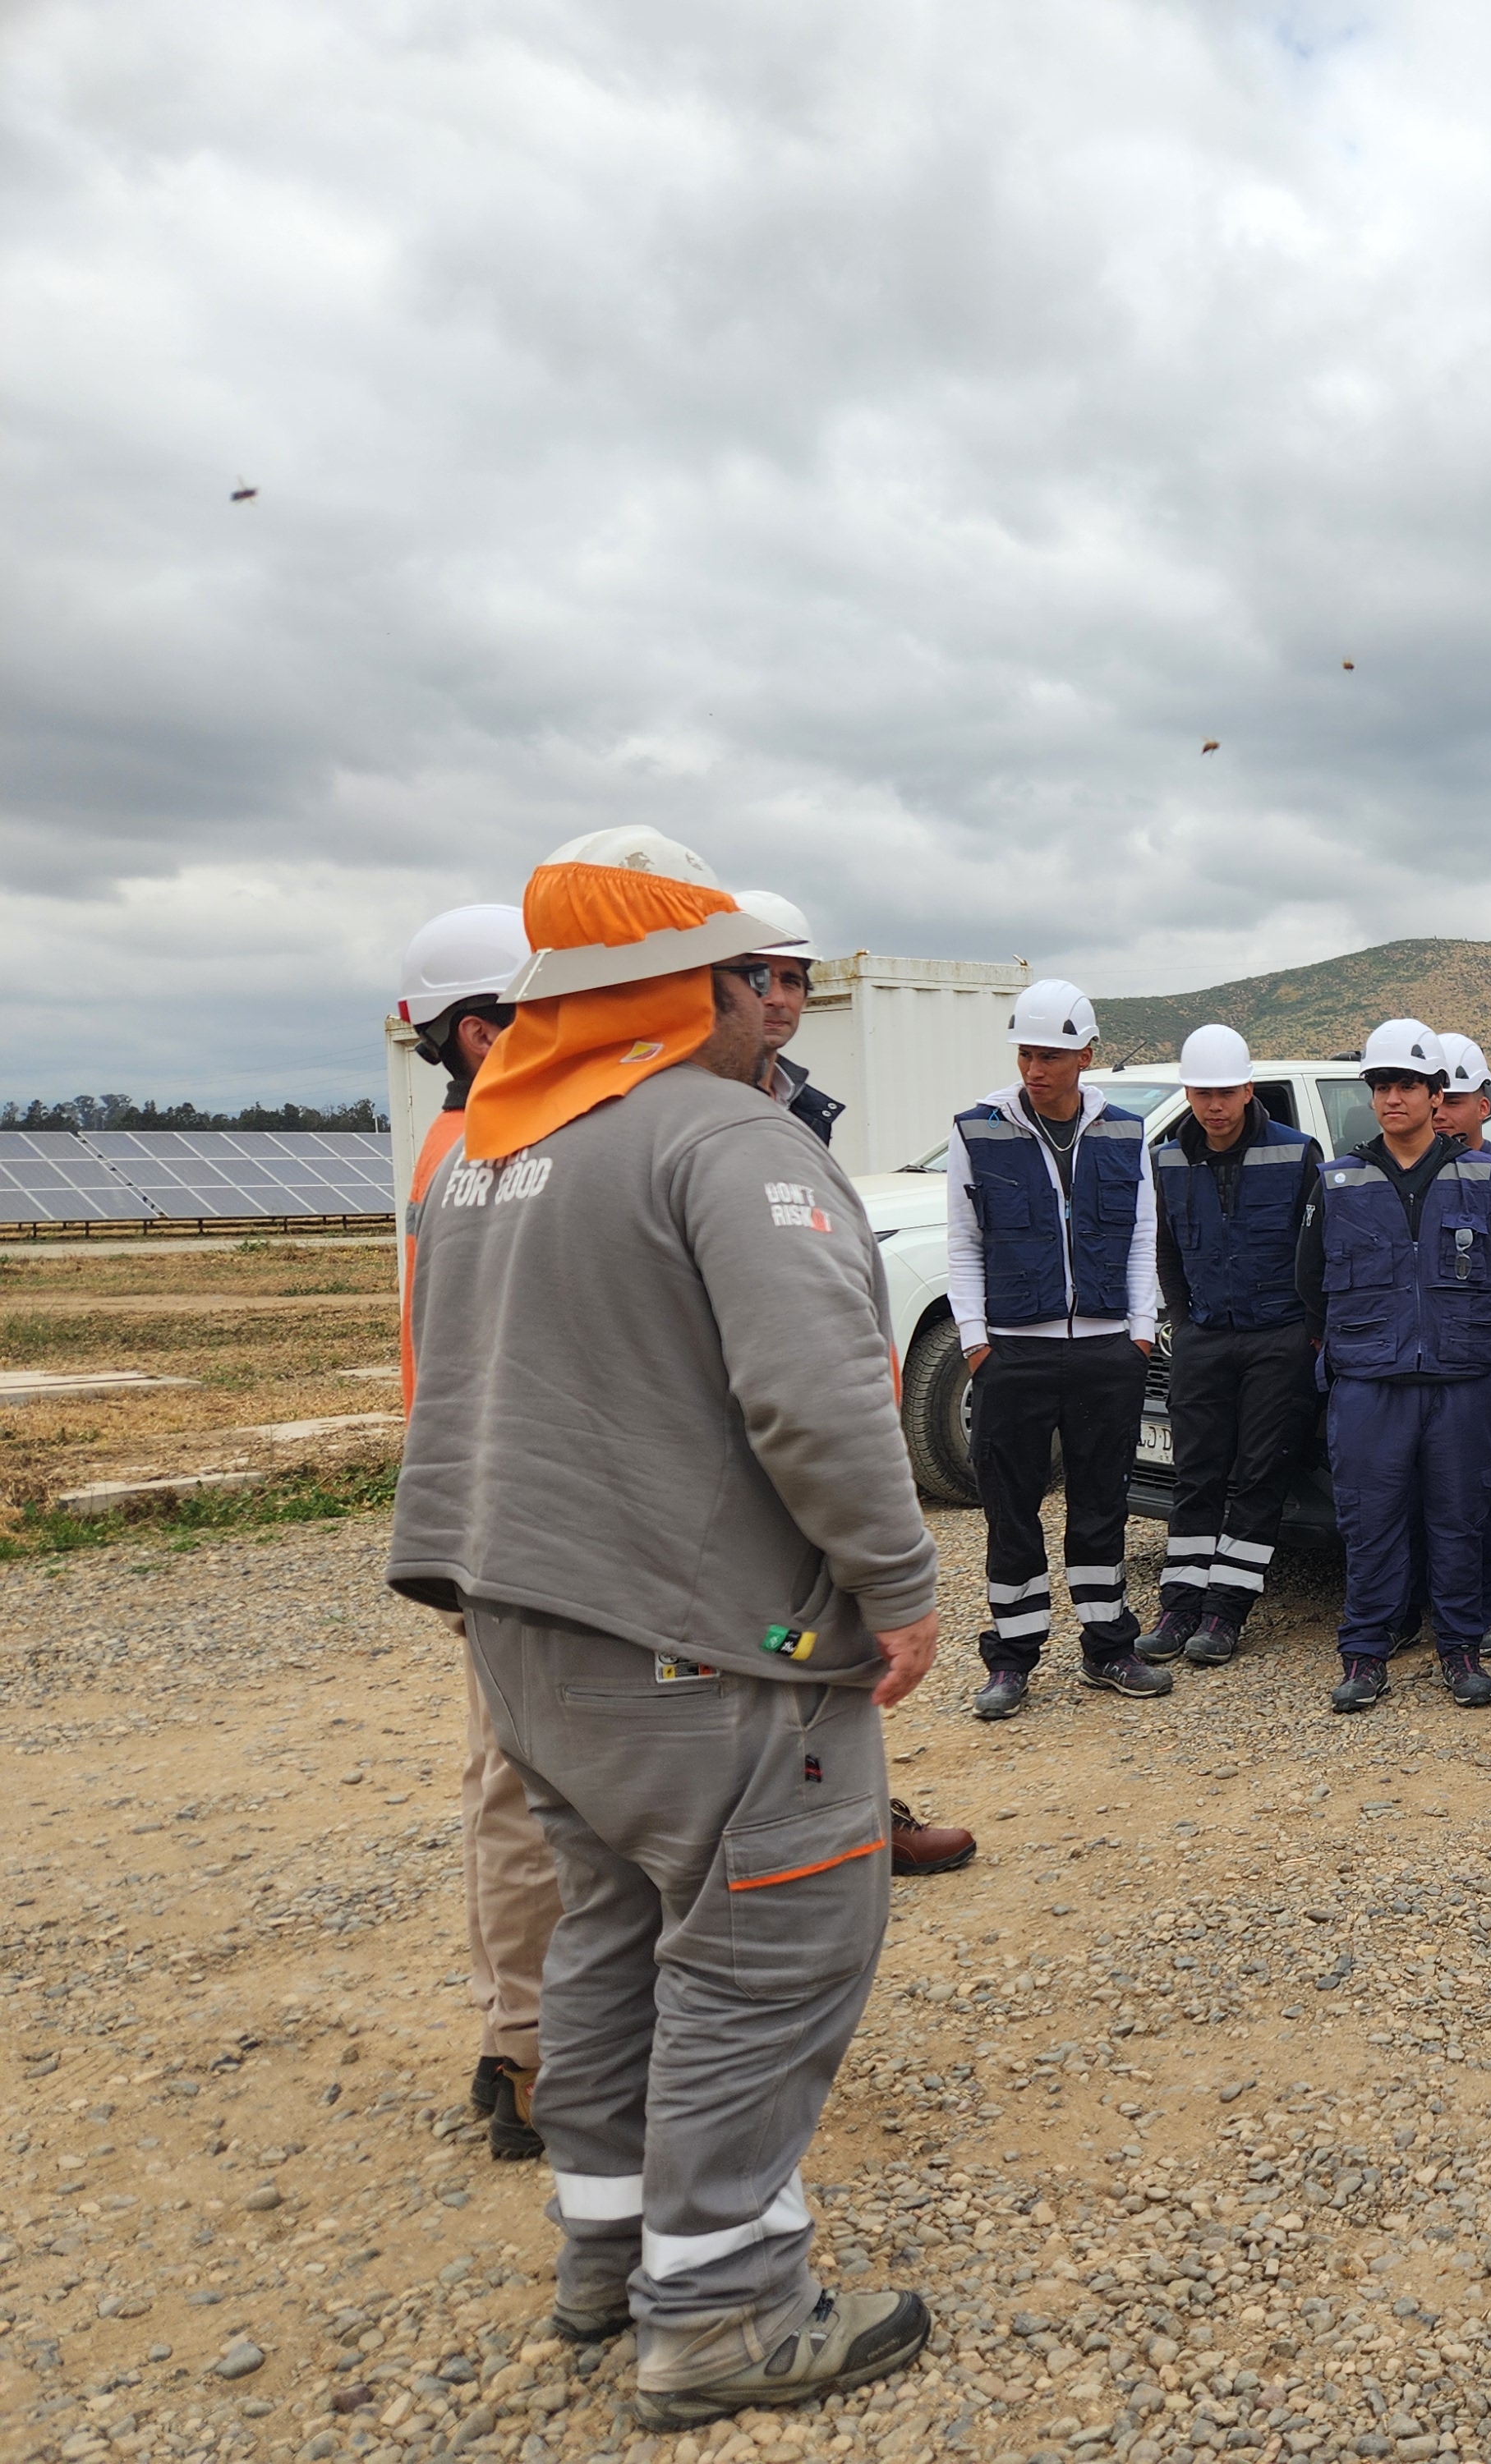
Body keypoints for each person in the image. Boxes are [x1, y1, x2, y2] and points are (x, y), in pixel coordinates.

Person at [386, 827, 936, 2424]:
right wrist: (896, 1588)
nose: (763, 1000)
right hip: (703, 1646)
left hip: (525, 1631)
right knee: (770, 1950)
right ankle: (721, 2317)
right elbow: (819, 1400)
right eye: (735, 972)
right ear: (668, 981)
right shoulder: (721, 1139)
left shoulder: (491, 1144)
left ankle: (606, 2256)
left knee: (613, 1933)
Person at [396, 903, 561, 2163]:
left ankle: (537, 2042)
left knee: (521, 1780)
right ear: (478, 1028)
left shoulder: (474, 1143)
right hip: (517, 1517)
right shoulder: (485, 1150)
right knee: (521, 1787)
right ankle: (528, 2058)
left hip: (485, 1510)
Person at [946, 981, 1162, 1720]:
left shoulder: (1125, 1132)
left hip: (1107, 1353)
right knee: (1011, 1510)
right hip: (1014, 1354)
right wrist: (977, 1344)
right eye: (1027, 1054)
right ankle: (1011, 1661)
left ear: (1085, 1056)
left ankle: (1109, 1648)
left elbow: (1141, 1238)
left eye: (1051, 1055)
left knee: (1101, 1507)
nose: (1035, 1069)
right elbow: (963, 1243)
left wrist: (1139, 1333)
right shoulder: (980, 1129)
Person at [1298, 1018, 1491, 1712]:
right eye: (1382, 1086)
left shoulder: (1485, 1177)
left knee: (1460, 1519)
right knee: (1370, 1522)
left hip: (1461, 1383)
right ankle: (1366, 1653)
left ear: (1436, 1095)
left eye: (1408, 1085)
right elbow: (1310, 1285)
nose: (1394, 1097)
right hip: (1370, 1386)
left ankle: (1459, 1648)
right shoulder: (1336, 1182)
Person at [1145, 1023, 1323, 1668]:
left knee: (1258, 1476)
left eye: (1225, 1092)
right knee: (1196, 1476)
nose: (1214, 1105)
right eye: (1201, 1093)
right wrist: (1185, 1322)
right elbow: (1166, 1249)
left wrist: (1307, 1333)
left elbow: (1316, 1252)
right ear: (1188, 1094)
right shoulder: (1166, 1159)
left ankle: (1225, 1613)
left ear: (1248, 1090)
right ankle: (1179, 1605)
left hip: (1278, 1339)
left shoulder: (1296, 1151)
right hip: (1205, 1339)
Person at [1433, 1034, 1491, 1659]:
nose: (1440, 1108)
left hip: (1483, 1362)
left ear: (1482, 1105)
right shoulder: (1398, 1175)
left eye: (1454, 1097)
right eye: (1433, 1095)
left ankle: (1489, 1611)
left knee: (1483, 1492)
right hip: (1416, 1364)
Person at [733, 890, 846, 1147]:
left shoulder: (810, 1112)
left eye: (790, 982)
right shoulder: (683, 1105)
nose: (777, 999)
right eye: (757, 979)